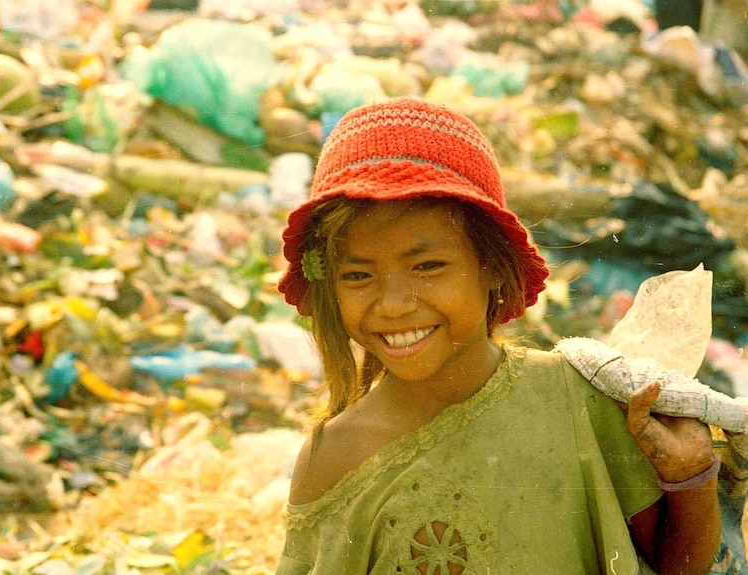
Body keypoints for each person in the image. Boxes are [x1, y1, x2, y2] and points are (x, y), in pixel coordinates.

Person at [274, 97, 722, 574]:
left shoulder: (574, 400)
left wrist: (690, 479)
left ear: (491, 266)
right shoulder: (334, 458)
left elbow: (678, 565)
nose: (394, 305)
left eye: (428, 266)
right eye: (358, 276)